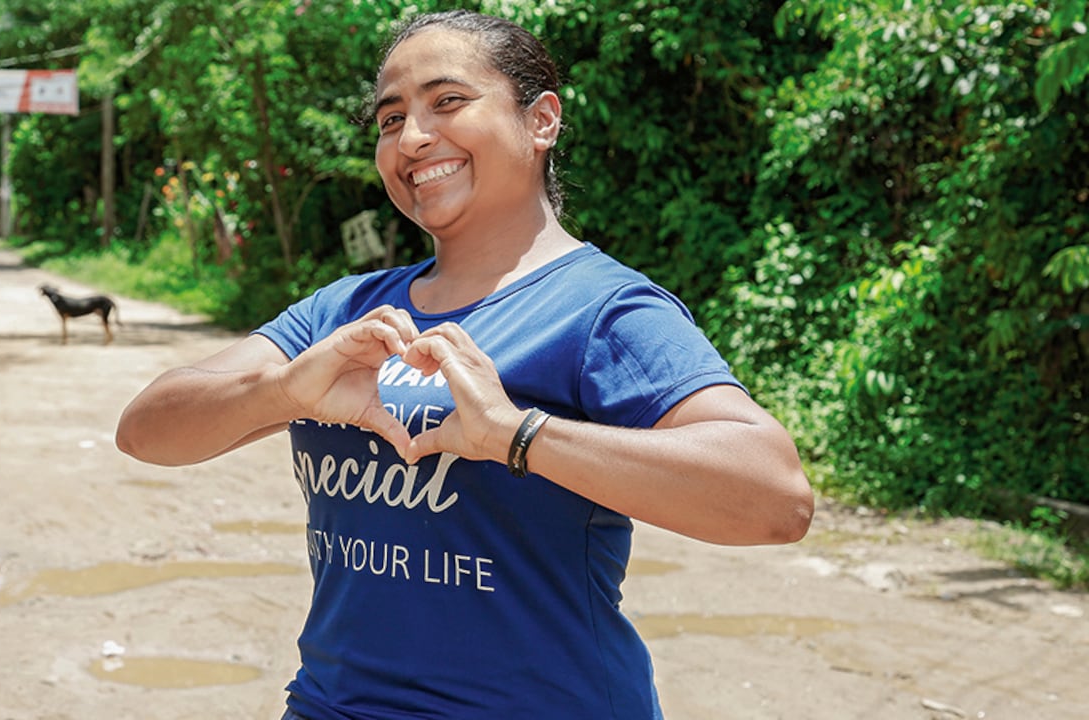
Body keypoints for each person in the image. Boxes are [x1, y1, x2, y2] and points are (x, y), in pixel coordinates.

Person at [117, 10, 814, 719]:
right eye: (391, 120)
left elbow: (776, 498)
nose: (412, 139)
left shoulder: (600, 309)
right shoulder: (345, 312)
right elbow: (145, 432)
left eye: (447, 102)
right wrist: (284, 391)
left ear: (541, 121)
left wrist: (516, 435)